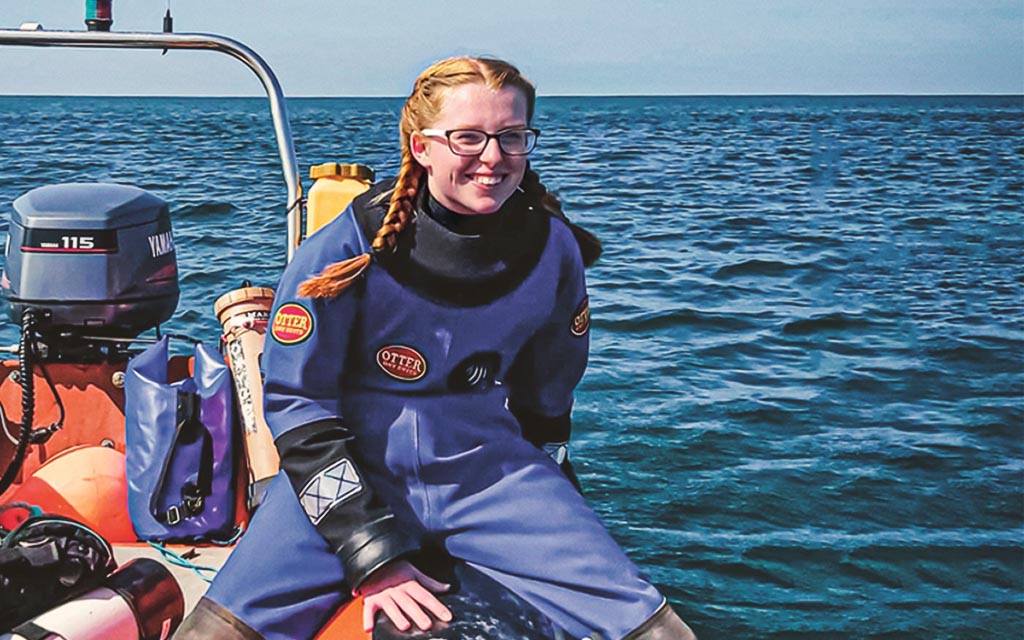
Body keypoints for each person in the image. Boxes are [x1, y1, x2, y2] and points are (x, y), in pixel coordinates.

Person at [173, 57, 696, 640]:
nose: (493, 157)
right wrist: (370, 552)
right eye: (468, 137)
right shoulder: (344, 251)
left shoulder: (553, 250)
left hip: (489, 476)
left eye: (511, 137)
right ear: (422, 147)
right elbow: (298, 405)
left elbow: (548, 395)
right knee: (212, 634)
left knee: (657, 629)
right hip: (355, 472)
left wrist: (555, 498)